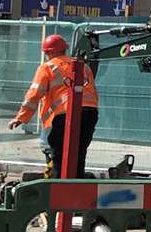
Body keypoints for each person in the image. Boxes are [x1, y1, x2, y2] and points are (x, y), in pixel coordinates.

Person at [8, 34, 100, 176]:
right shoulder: (84, 66)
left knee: (59, 152)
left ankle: (59, 187)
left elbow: (34, 94)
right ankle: (77, 185)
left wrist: (21, 117)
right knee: (79, 153)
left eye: (46, 53)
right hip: (90, 113)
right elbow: (92, 91)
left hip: (67, 114)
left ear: (50, 52)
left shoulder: (48, 67)